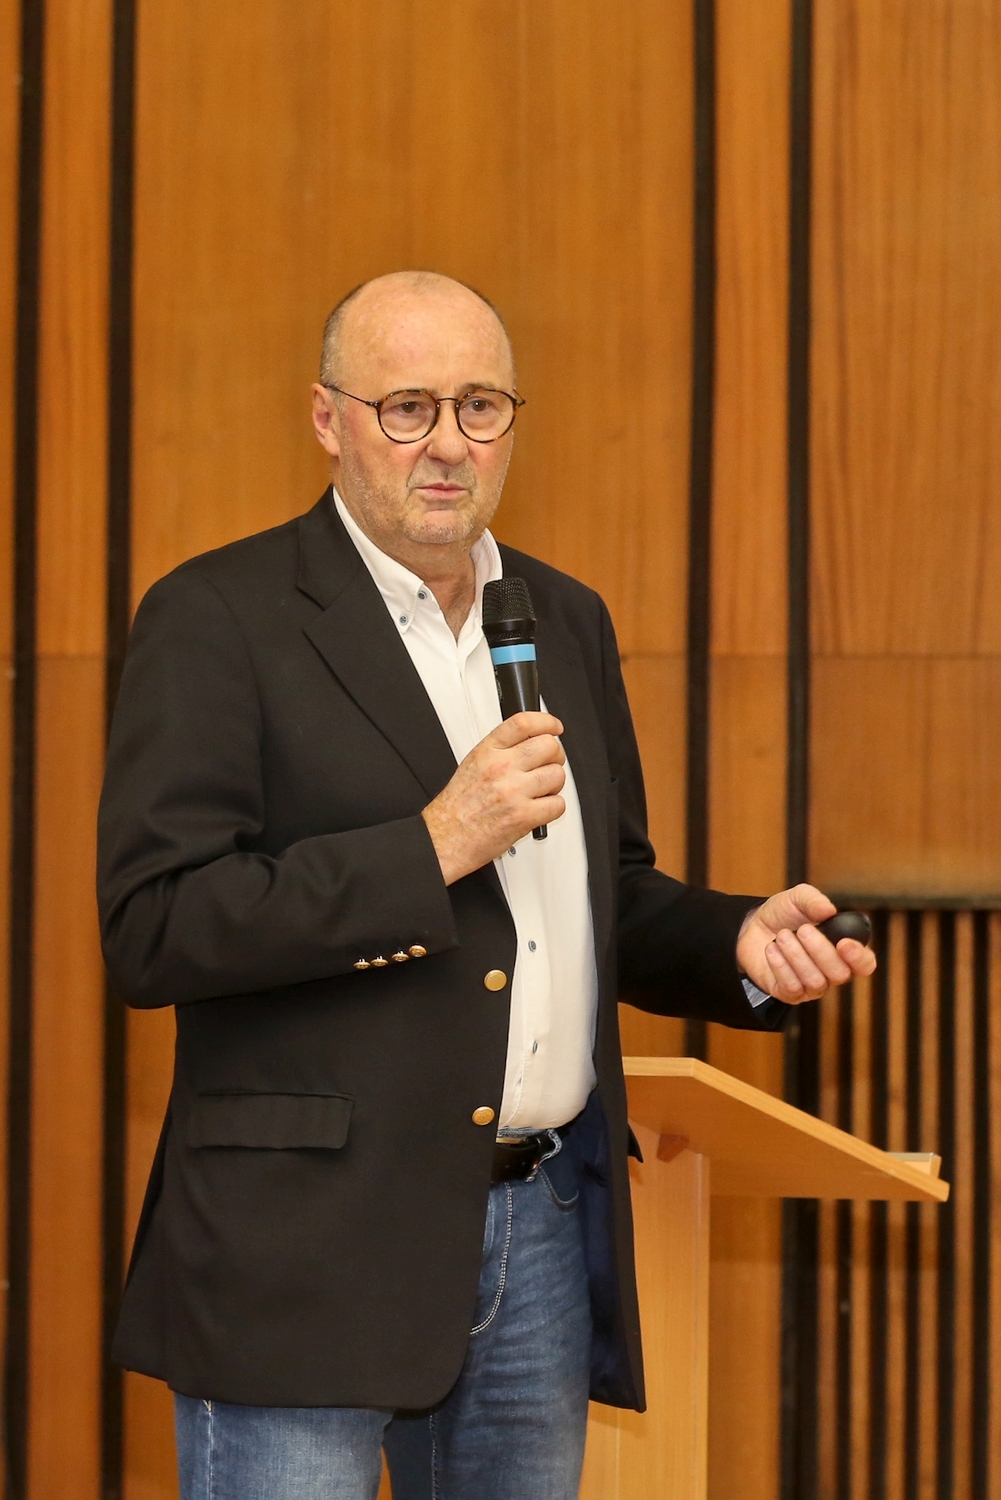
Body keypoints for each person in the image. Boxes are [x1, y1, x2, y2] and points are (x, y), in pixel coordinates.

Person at [98, 271, 875, 1500]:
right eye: (407, 407)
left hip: (537, 1234)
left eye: (480, 406)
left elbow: (601, 896)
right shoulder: (218, 616)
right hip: (306, 1247)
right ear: (328, 419)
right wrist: (431, 844)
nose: (449, 444)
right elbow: (157, 927)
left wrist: (737, 944)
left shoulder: (561, 617)